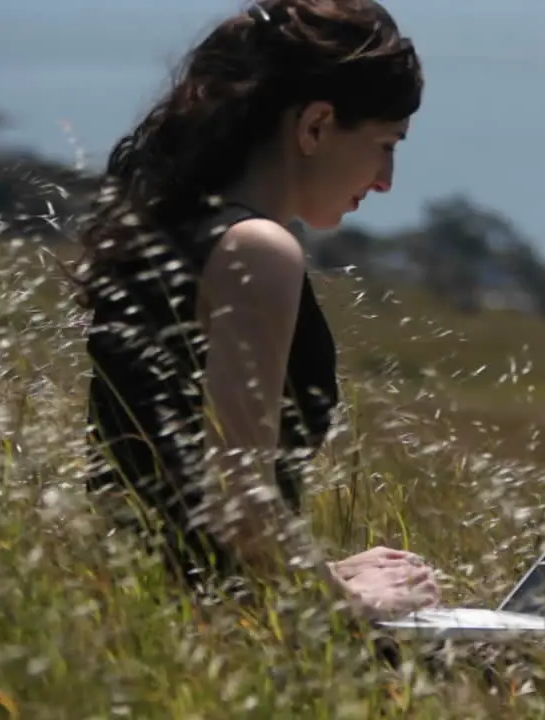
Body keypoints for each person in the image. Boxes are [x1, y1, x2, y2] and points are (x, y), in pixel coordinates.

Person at [71, 0, 441, 625]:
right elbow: (243, 510)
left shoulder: (172, 232)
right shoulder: (258, 251)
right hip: (226, 635)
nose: (386, 180)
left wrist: (323, 573)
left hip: (152, 620)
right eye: (384, 144)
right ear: (317, 126)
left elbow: (181, 509)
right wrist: (351, 600)